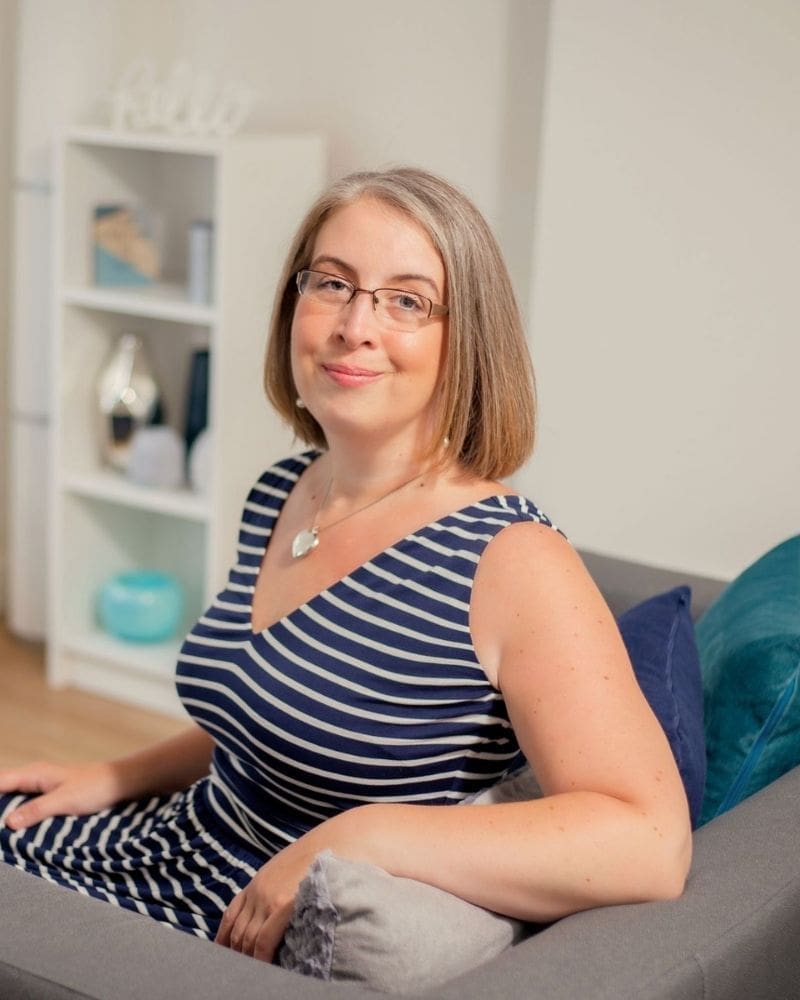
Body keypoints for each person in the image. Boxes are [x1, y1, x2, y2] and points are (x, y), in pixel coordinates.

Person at [0, 167, 691, 965]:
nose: (354, 325)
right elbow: (268, 709)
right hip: (171, 843)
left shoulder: (511, 561)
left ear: (465, 338)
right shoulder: (286, 490)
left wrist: (363, 834)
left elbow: (648, 841)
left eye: (406, 300)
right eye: (332, 284)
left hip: (235, 924)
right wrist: (113, 776)